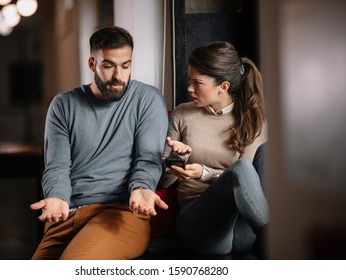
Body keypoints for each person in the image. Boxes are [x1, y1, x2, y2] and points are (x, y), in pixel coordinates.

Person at [30, 26, 169, 260]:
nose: (118, 76)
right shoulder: (63, 105)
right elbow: (57, 166)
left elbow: (148, 158)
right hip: (68, 214)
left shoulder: (147, 99)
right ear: (92, 64)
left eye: (126, 65)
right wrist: (57, 196)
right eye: (109, 65)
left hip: (120, 212)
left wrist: (142, 186)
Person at [159, 41, 269, 255]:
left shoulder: (253, 117)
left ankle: (271, 235)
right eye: (190, 80)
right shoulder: (183, 114)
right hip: (200, 226)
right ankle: (277, 241)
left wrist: (204, 174)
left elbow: (247, 179)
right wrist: (177, 157)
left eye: (198, 82)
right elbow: (163, 180)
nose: (189, 88)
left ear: (223, 87)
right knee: (242, 169)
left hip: (244, 228)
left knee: (263, 156)